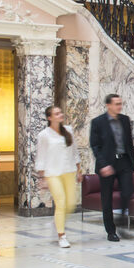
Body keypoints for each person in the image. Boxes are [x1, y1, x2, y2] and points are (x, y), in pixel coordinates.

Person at [89, 94, 134, 242]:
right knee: (107, 198)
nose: (119, 106)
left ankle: (122, 222)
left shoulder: (125, 120)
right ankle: (111, 231)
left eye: (120, 103)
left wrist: (133, 163)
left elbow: (129, 143)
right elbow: (95, 146)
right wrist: (103, 165)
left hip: (124, 162)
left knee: (127, 192)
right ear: (108, 105)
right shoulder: (97, 122)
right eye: (116, 104)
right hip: (107, 164)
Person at [35, 105, 82, 248]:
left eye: (60, 112)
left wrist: (79, 170)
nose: (60, 115)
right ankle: (62, 236)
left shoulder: (68, 130)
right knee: (60, 202)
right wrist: (42, 177)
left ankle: (57, 221)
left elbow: (74, 152)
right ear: (50, 118)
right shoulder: (44, 135)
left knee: (70, 203)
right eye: (56, 113)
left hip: (69, 171)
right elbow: (41, 157)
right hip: (52, 173)